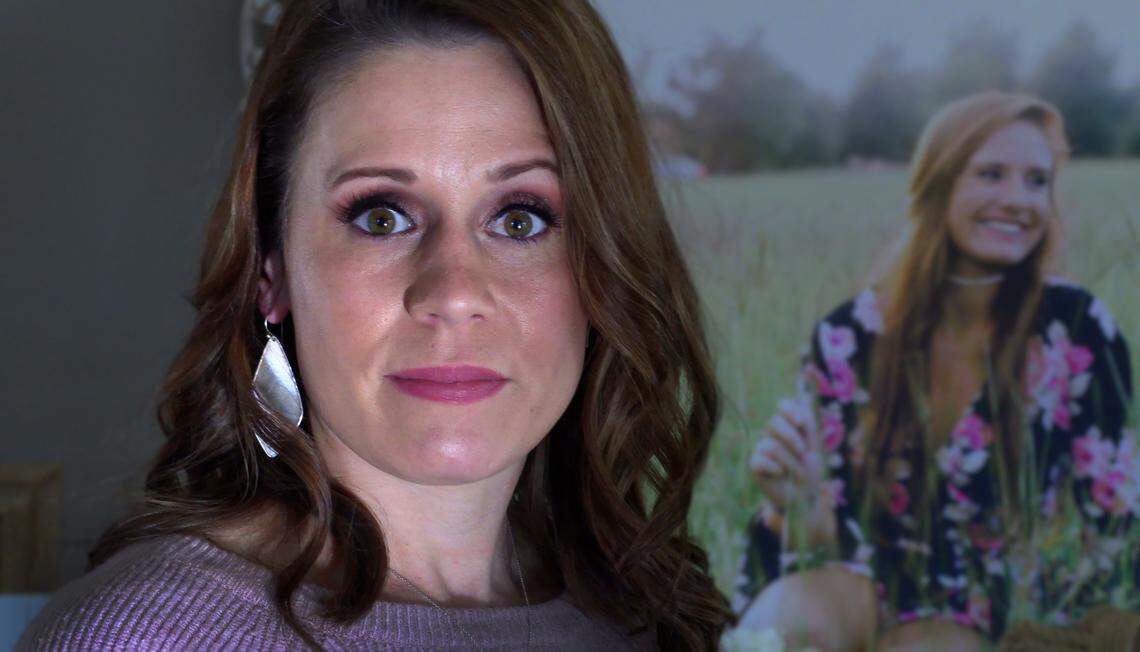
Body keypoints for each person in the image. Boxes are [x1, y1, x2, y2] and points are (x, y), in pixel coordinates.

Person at [18, 1, 733, 649]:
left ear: (603, 269)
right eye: (380, 216)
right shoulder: (133, 638)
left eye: (520, 219)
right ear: (272, 271)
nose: (453, 292)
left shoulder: (639, 619)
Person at [734, 92, 1135, 651]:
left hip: (990, 604)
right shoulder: (848, 335)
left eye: (1037, 181)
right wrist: (794, 508)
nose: (1018, 199)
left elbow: (1114, 521)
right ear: (938, 182)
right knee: (776, 624)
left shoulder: (1078, 329)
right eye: (991, 174)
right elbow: (816, 534)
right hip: (859, 580)